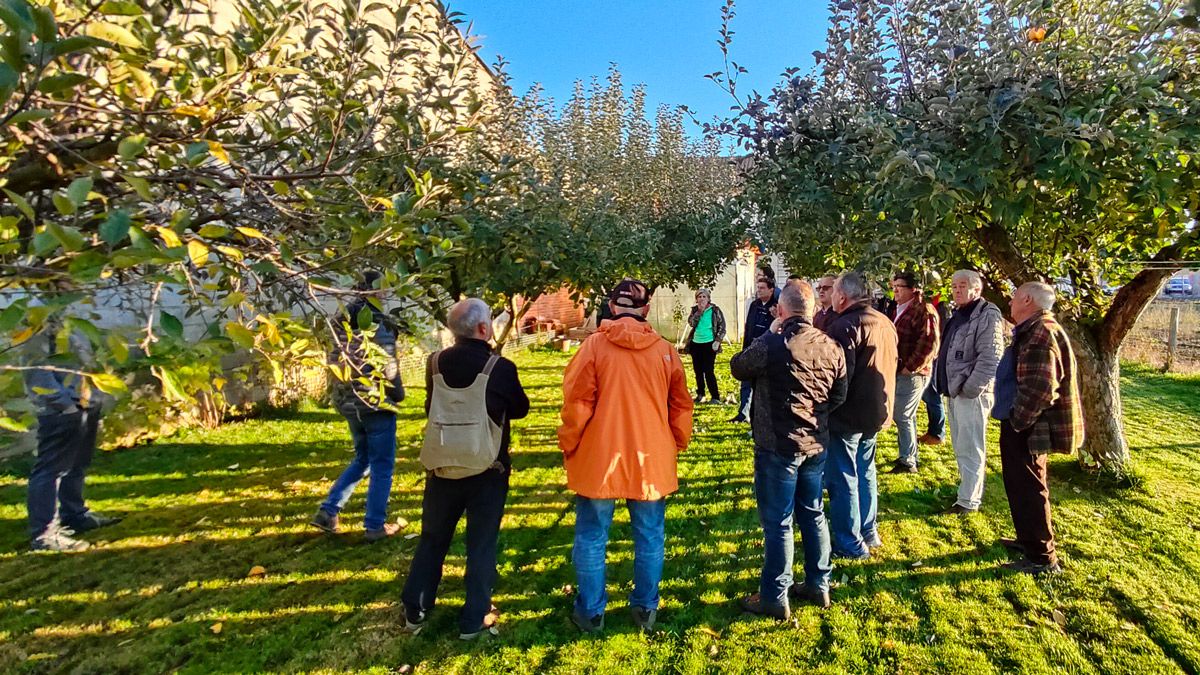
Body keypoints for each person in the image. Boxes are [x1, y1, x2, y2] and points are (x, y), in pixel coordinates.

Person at [558, 279, 693, 634]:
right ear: (646, 309)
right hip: (650, 459)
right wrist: (676, 442)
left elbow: (576, 406)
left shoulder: (592, 349)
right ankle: (646, 608)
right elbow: (680, 406)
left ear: (612, 307)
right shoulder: (664, 351)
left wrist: (568, 443)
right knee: (650, 535)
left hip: (597, 458)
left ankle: (590, 612)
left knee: (591, 536)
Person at [400, 298, 530, 640]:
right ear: (484, 328)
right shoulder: (499, 367)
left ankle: (417, 606)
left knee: (432, 539)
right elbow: (520, 408)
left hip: (441, 467)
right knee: (481, 544)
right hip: (488, 468)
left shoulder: (434, 363)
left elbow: (432, 405)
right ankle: (474, 618)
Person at [731, 283, 847, 619]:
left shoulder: (772, 343)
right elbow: (838, 394)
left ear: (782, 310)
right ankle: (818, 583)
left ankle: (774, 595)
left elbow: (739, 366)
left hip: (778, 445)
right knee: (812, 513)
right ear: (810, 311)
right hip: (815, 442)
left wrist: (767, 332)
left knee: (779, 522)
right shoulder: (831, 346)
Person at [991, 282, 1082, 575]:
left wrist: (1018, 420)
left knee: (1030, 487)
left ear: (1027, 299)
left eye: (1015, 297)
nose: (1011, 303)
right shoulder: (1034, 328)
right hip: (1022, 422)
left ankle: (1042, 557)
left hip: (1028, 426)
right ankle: (1029, 540)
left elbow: (1042, 387)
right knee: (1020, 485)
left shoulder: (1041, 332)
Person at [312, 273, 405, 541]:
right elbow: (388, 366)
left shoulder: (342, 319)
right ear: (376, 291)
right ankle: (375, 525)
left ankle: (329, 511)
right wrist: (397, 393)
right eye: (385, 288)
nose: (387, 293)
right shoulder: (376, 322)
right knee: (382, 465)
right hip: (374, 402)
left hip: (347, 399)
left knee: (363, 457)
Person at [23, 319, 121, 552]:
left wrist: (95, 395)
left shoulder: (69, 314)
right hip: (60, 409)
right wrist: (63, 404)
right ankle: (44, 534)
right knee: (51, 469)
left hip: (85, 402)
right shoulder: (38, 318)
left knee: (77, 464)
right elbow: (35, 369)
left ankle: (74, 514)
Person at [823, 272, 898, 559]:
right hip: (878, 409)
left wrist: (828, 408)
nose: (829, 297)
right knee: (865, 471)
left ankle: (850, 541)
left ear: (842, 296)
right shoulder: (883, 321)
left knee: (844, 477)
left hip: (849, 414)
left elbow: (839, 377)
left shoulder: (845, 326)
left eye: (832, 292)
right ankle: (869, 530)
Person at [932, 270, 1004, 514]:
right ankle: (965, 490)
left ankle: (968, 502)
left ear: (977, 289)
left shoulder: (987, 315)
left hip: (970, 393)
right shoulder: (960, 313)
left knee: (971, 447)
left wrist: (970, 388)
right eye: (953, 286)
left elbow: (991, 357)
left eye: (962, 285)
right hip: (954, 391)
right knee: (961, 446)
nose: (957, 290)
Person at [886, 272, 940, 474]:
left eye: (899, 286)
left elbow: (928, 344)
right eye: (894, 286)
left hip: (913, 373)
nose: (895, 290)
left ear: (913, 289)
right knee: (906, 414)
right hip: (900, 369)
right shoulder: (899, 308)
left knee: (902, 415)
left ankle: (908, 462)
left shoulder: (923, 310)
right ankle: (909, 454)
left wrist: (911, 367)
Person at [731, 279, 778, 423]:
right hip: (751, 347)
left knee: (761, 385)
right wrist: (745, 347)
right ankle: (743, 412)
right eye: (758, 288)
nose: (759, 290)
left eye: (762, 288)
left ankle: (758, 416)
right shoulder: (754, 305)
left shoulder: (776, 306)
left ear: (771, 290)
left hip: (766, 350)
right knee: (746, 382)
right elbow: (748, 327)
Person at [681, 289, 726, 404]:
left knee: (709, 371)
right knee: (698, 371)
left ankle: (715, 396)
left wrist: (718, 341)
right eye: (699, 297)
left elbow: (722, 327)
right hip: (696, 343)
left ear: (708, 298)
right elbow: (691, 323)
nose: (701, 299)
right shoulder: (695, 310)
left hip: (709, 344)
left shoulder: (715, 310)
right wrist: (699, 312)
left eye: (704, 296)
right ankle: (701, 394)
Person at [918, 292, 952, 445]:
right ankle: (933, 430)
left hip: (935, 356)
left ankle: (938, 433)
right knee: (928, 395)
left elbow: (941, 334)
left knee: (932, 393)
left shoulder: (941, 307)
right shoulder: (931, 305)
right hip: (933, 356)